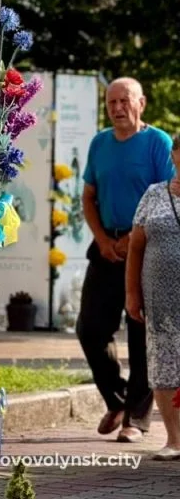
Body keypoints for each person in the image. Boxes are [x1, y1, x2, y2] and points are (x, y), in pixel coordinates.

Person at [78, 77, 174, 443]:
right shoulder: (99, 143)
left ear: (141, 103)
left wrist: (133, 239)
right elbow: (88, 197)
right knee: (90, 328)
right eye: (111, 102)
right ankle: (116, 399)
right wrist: (103, 239)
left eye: (125, 101)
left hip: (147, 248)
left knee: (140, 333)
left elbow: (168, 197)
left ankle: (136, 418)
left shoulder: (158, 143)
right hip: (106, 247)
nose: (117, 108)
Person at [125, 133, 180, 460]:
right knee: (163, 365)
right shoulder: (154, 194)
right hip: (159, 300)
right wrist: (132, 293)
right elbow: (136, 247)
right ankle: (174, 440)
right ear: (174, 156)